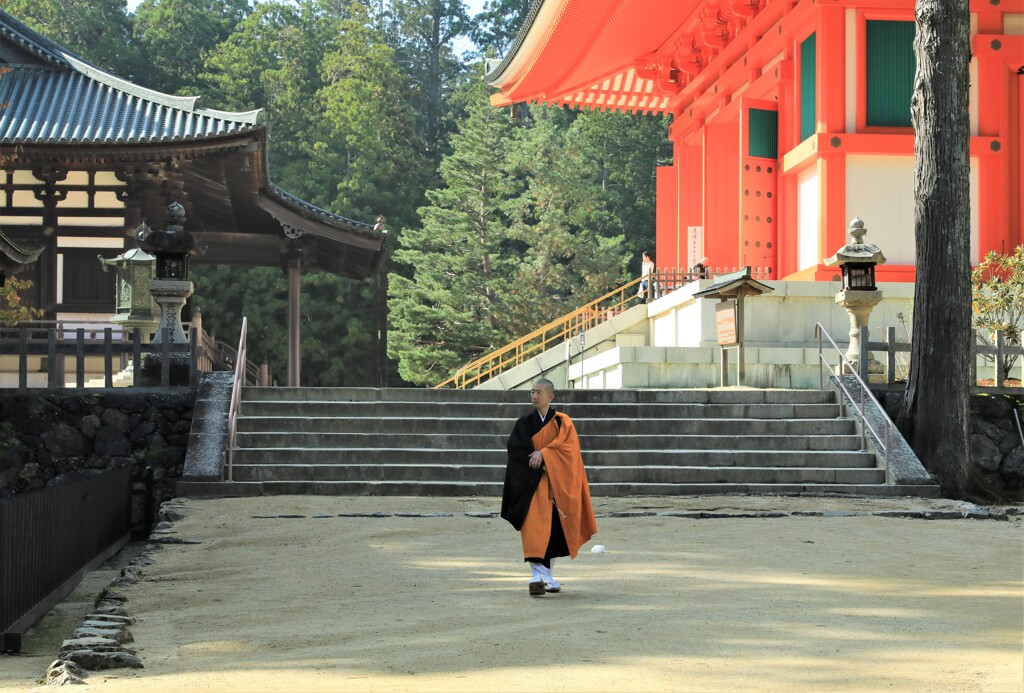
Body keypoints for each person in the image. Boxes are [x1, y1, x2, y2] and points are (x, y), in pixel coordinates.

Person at [501, 378, 597, 597]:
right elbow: (516, 452)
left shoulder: (563, 423)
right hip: (531, 484)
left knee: (555, 529)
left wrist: (545, 455)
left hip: (556, 484)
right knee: (533, 527)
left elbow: (570, 452)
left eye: (539, 392)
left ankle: (548, 574)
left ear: (551, 397)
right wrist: (539, 460)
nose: (534, 396)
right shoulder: (524, 423)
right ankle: (536, 575)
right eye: (532, 392)